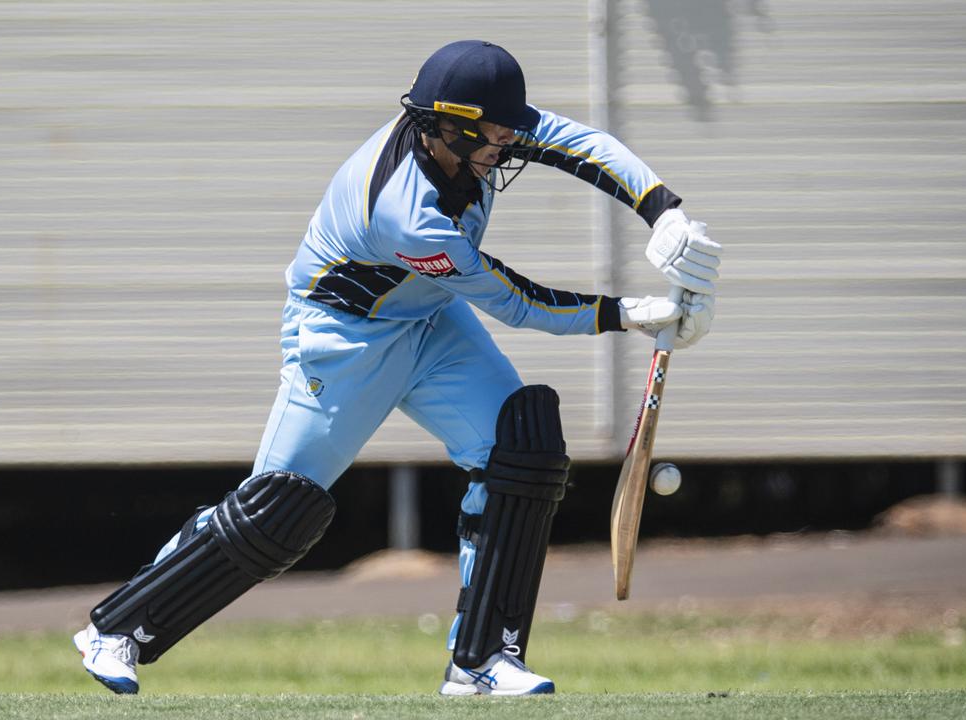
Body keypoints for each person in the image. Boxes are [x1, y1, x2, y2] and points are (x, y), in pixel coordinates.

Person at [73, 39, 720, 697]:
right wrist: (628, 314)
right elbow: (511, 299)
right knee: (278, 511)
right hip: (345, 341)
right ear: (449, 127)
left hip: (432, 322)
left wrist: (662, 210)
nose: (511, 142)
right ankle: (118, 628)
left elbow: (582, 144)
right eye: (496, 133)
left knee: (521, 449)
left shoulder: (473, 133)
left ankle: (481, 662)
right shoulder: (407, 214)